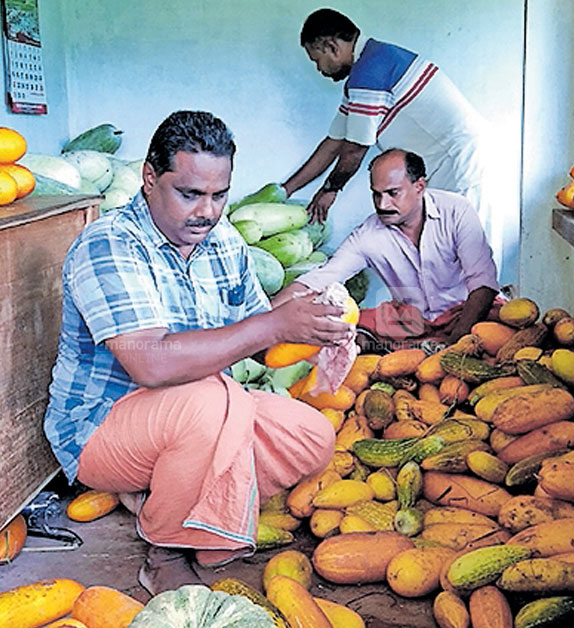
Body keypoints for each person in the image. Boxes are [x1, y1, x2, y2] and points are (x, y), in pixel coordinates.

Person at [42, 110, 349, 595]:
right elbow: (152, 362)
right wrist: (270, 324)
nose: (206, 211)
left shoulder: (222, 241)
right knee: (205, 397)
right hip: (100, 427)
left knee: (308, 434)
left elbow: (258, 332)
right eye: (189, 194)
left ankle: (163, 494)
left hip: (190, 419)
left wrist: (317, 324)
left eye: (218, 195)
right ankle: (166, 551)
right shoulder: (109, 243)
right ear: (149, 178)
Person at [281, 8, 505, 275]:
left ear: (332, 46)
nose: (319, 69)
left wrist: (330, 189)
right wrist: (285, 190)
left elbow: (355, 150)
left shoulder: (370, 73)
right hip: (447, 170)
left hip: (464, 168)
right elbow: (334, 143)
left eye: (317, 59)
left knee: (472, 272)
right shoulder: (369, 68)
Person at [273, 148, 498, 348]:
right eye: (376, 194)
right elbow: (321, 278)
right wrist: (262, 319)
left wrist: (455, 341)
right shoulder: (369, 234)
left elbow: (483, 281)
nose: (382, 205)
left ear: (419, 186)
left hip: (466, 314)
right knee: (348, 326)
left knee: (503, 324)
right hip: (412, 323)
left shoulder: (456, 210)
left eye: (392, 193)